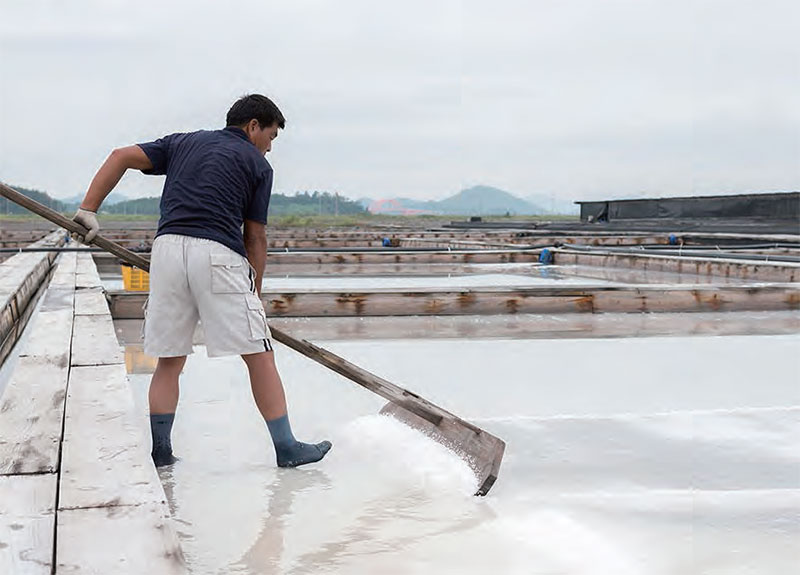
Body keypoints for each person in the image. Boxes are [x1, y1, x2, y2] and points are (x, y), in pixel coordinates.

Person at [72, 94, 332, 468]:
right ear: (253, 126)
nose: (270, 148)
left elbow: (120, 156)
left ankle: (161, 451)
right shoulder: (257, 165)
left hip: (166, 252)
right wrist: (254, 293)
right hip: (217, 254)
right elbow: (255, 236)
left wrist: (88, 210)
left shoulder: (182, 142)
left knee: (169, 360)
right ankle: (287, 447)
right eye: (271, 137)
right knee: (259, 354)